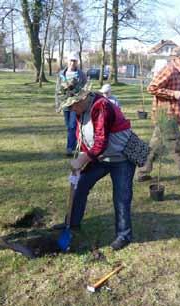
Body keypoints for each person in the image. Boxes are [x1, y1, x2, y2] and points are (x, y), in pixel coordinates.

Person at [58, 85, 136, 251]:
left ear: (82, 99)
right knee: (81, 185)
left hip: (121, 157)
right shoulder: (81, 110)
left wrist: (83, 160)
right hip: (100, 157)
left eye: (72, 105)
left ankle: (124, 235)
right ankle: (72, 223)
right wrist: (81, 159)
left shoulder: (101, 106)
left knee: (121, 196)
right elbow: (84, 137)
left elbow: (101, 141)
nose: (71, 109)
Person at [136, 45, 180, 194]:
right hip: (166, 118)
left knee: (154, 147)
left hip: (170, 117)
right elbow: (152, 88)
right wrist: (173, 94)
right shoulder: (169, 70)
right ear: (179, 59)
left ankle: (142, 172)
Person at [55, 52, 87, 157]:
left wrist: (80, 97)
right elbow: (57, 90)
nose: (72, 63)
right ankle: (74, 146)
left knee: (73, 125)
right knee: (69, 126)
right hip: (65, 104)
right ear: (67, 61)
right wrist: (57, 105)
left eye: (74, 61)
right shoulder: (62, 74)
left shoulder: (81, 74)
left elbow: (85, 89)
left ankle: (69, 148)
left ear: (77, 62)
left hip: (76, 104)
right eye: (71, 60)